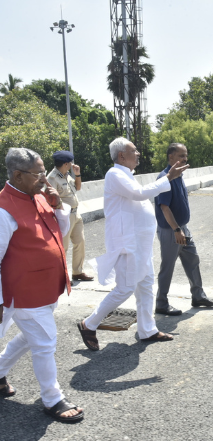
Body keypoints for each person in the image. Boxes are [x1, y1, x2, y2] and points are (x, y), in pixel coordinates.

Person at [77, 137, 188, 351]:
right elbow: (139, 195)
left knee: (145, 286)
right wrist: (168, 176)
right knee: (125, 288)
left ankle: (148, 330)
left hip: (140, 244)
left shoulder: (127, 175)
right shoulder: (115, 174)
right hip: (128, 244)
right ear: (121, 155)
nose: (138, 154)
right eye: (134, 151)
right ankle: (89, 324)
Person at [0, 147, 84, 423]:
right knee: (45, 341)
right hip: (22, 291)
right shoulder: (4, 208)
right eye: (38, 174)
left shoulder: (39, 196)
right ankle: (52, 399)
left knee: (30, 337)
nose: (44, 179)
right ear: (17, 175)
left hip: (45, 286)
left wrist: (58, 206)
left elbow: (58, 235)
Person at [154, 143, 213, 316]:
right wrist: (176, 230)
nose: (185, 159)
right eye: (181, 156)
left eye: (186, 155)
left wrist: (181, 228)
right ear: (171, 157)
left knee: (192, 260)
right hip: (171, 230)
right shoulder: (165, 178)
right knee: (167, 266)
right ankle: (161, 302)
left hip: (182, 228)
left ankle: (198, 296)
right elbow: (164, 208)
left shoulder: (178, 175)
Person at [47, 150, 93, 281]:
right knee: (64, 247)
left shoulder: (66, 175)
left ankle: (77, 272)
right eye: (70, 162)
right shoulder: (52, 178)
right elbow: (50, 199)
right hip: (64, 216)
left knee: (80, 242)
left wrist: (77, 174)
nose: (72, 164)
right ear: (66, 163)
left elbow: (77, 188)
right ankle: (62, 276)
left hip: (76, 213)